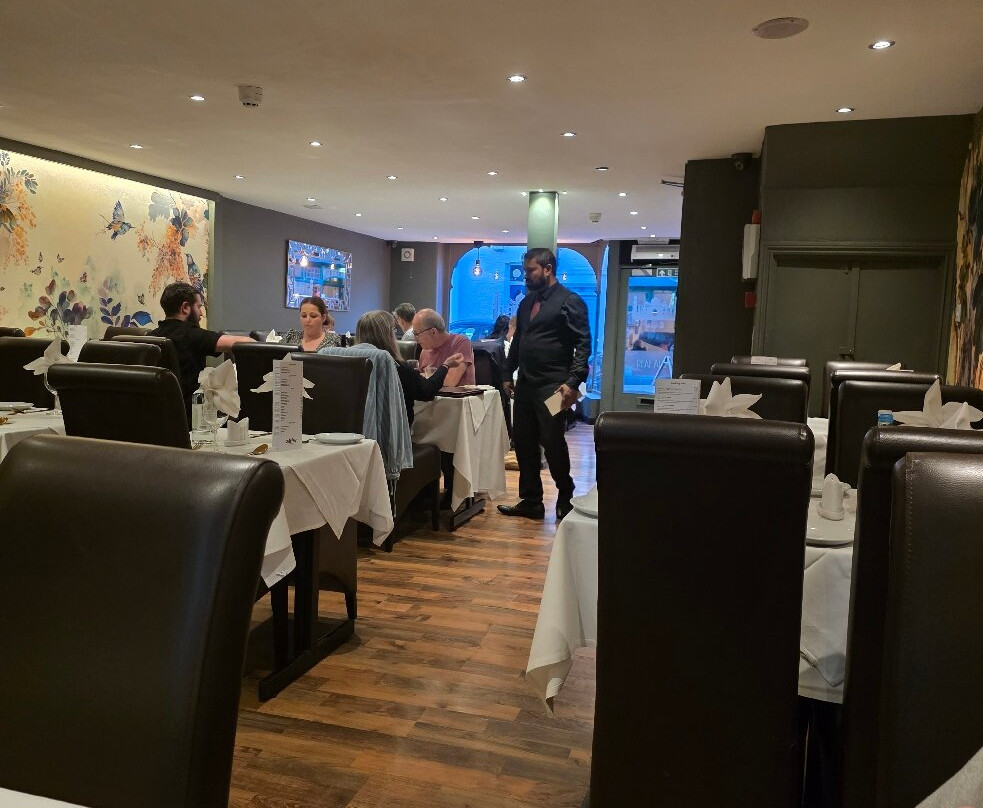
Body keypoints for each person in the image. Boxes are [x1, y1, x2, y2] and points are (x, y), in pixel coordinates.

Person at [498, 248, 591, 521]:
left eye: (531, 271)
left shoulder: (569, 301)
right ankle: (531, 501)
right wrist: (507, 372)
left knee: (552, 440)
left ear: (548, 269)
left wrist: (573, 382)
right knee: (524, 442)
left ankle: (565, 494)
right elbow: (519, 340)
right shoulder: (527, 302)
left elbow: (583, 343)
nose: (525, 276)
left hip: (555, 386)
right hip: (526, 385)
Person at [149, 282, 255, 417]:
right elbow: (246, 343)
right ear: (185, 308)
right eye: (199, 307)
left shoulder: (149, 337)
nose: (201, 313)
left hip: (156, 415)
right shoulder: (192, 335)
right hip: (192, 417)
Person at [355, 310, 464, 425]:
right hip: (392, 432)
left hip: (356, 430)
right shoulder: (397, 367)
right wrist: (446, 365)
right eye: (393, 330)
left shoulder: (351, 367)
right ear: (387, 335)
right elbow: (427, 391)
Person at [413, 308, 475, 386]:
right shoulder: (425, 350)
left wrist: (425, 377)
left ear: (433, 332)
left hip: (454, 393)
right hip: (433, 393)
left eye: (416, 333)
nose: (415, 339)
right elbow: (419, 382)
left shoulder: (461, 342)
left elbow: (450, 382)